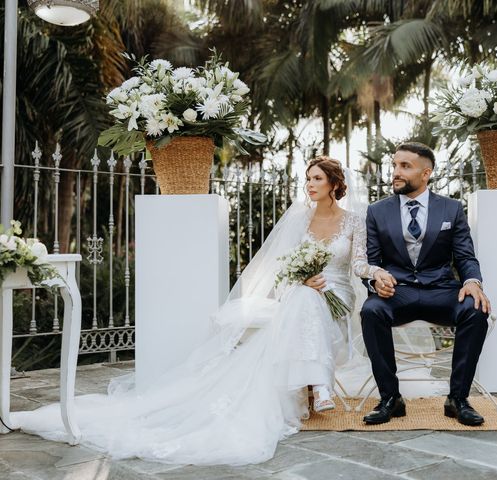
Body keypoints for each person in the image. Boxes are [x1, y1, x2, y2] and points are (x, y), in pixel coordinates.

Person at [15, 156, 380, 466]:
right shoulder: (299, 220)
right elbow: (281, 270)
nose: (309, 184)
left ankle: (317, 382)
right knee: (301, 298)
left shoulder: (353, 221)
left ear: (335, 184)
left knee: (308, 301)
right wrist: (301, 280)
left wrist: (375, 273)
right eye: (307, 179)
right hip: (303, 292)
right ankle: (318, 385)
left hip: (338, 292)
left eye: (317, 178)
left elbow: (360, 264)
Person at [360, 142, 492, 426]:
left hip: (441, 290)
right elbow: (372, 261)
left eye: (405, 166)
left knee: (475, 309)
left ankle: (457, 398)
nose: (396, 172)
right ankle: (390, 398)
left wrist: (472, 282)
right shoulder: (376, 211)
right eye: (395, 165)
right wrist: (376, 281)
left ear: (426, 173)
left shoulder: (452, 209)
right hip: (397, 292)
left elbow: (465, 255)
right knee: (371, 311)